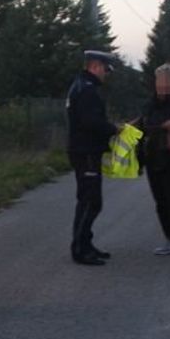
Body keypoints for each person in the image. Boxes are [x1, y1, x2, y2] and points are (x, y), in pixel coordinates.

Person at [66, 50, 120, 265]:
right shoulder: (87, 90)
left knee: (87, 200)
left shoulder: (80, 86)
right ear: (95, 66)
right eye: (105, 70)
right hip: (86, 151)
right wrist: (113, 129)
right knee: (91, 201)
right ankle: (80, 248)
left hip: (84, 150)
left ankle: (86, 244)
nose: (106, 74)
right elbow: (92, 122)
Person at [134, 64, 170, 257]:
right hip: (152, 158)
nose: (163, 84)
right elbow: (142, 127)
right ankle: (169, 240)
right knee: (160, 202)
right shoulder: (148, 104)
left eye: (167, 80)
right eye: (160, 80)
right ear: (156, 81)